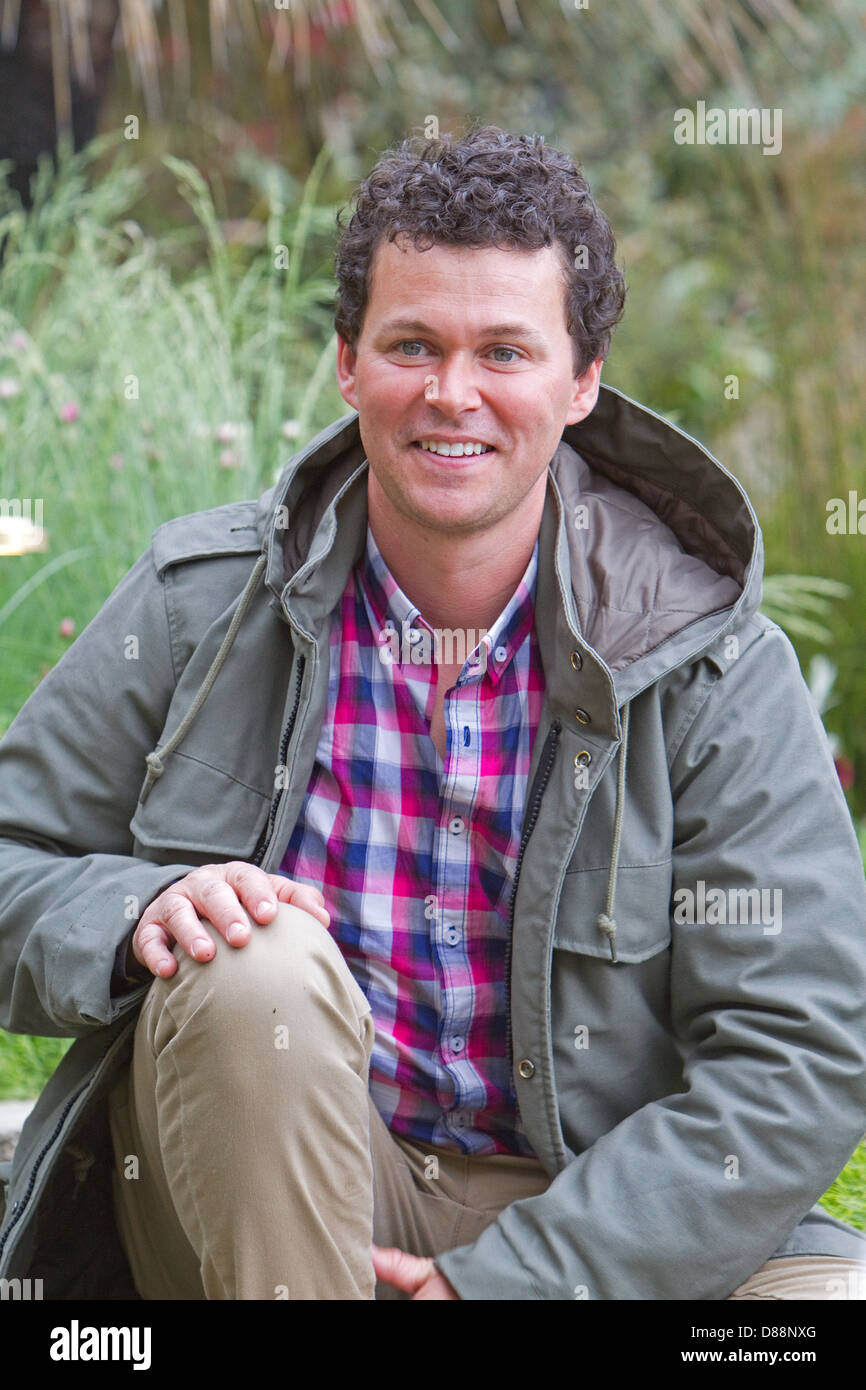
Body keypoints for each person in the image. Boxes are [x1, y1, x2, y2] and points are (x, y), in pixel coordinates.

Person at [1, 125, 865, 1302]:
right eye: (412, 344)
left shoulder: (709, 664)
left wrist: (512, 1279)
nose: (450, 393)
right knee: (248, 964)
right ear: (348, 361)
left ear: (581, 380)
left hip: (609, 1221)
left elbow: (799, 1058)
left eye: (503, 350)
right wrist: (135, 906)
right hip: (288, 1194)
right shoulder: (199, 604)